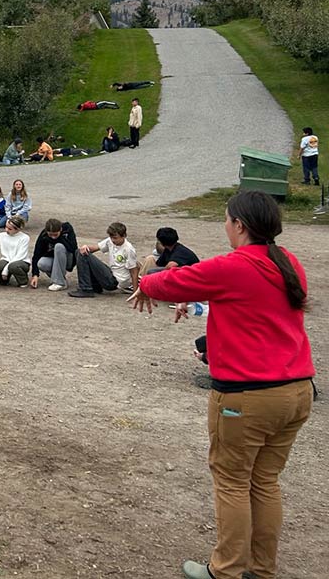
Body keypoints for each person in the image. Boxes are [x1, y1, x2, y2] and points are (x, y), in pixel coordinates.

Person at [129, 191, 314, 579]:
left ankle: (225, 570)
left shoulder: (234, 265)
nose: (225, 227)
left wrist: (145, 284)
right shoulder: (289, 262)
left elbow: (172, 281)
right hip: (296, 391)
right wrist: (199, 301)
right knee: (264, 481)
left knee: (231, 481)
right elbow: (245, 304)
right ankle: (261, 570)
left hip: (248, 396)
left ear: (240, 226)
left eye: (227, 220)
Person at [71, 222, 140, 297]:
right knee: (80, 251)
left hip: (115, 281)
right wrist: (85, 247)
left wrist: (135, 293)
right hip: (111, 273)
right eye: (111, 238)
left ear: (124, 236)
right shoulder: (110, 241)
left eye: (115, 238)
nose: (113, 240)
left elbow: (134, 271)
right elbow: (95, 248)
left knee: (83, 254)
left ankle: (86, 289)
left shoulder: (128, 249)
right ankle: (94, 285)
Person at [0, 216, 32, 287]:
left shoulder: (25, 238)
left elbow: (21, 255)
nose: (6, 230)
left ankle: (23, 281)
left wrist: (6, 269)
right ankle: (3, 281)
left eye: (10, 229)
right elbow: (4, 253)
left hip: (21, 261)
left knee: (13, 266)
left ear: (18, 229)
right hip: (6, 259)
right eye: (6, 227)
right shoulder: (1, 236)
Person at [31, 218, 77, 291]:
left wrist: (60, 239)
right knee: (41, 263)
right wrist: (35, 275)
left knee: (59, 246)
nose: (53, 237)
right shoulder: (43, 235)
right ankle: (62, 281)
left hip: (68, 258)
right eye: (50, 235)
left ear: (60, 229)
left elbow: (73, 248)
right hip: (54, 259)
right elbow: (36, 255)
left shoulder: (67, 229)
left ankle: (59, 282)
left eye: (55, 234)